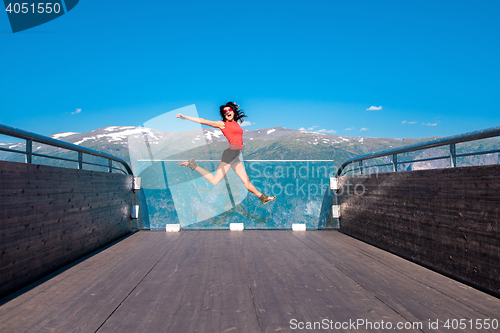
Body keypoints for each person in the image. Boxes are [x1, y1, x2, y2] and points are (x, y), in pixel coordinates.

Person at [176, 102, 276, 205]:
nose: (227, 112)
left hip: (235, 156)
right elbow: (204, 121)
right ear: (223, 115)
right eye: (225, 112)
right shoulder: (223, 124)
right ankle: (192, 164)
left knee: (246, 180)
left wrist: (234, 107)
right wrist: (186, 117)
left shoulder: (235, 122)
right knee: (214, 181)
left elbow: (233, 112)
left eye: (229, 110)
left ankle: (262, 198)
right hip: (230, 155)